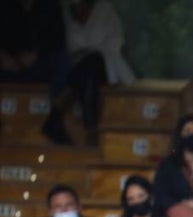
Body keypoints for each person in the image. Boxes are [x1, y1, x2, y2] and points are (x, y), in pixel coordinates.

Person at [40, 0, 134, 147]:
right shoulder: (67, 14)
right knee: (88, 71)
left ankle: (56, 113)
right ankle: (91, 132)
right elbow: (69, 47)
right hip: (79, 68)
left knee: (92, 62)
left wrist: (91, 52)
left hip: (106, 65)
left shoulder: (105, 9)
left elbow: (115, 41)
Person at [0, 0, 65, 85]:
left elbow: (57, 37)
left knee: (60, 60)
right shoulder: (4, 5)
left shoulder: (50, 4)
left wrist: (36, 54)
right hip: (9, 63)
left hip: (41, 61)